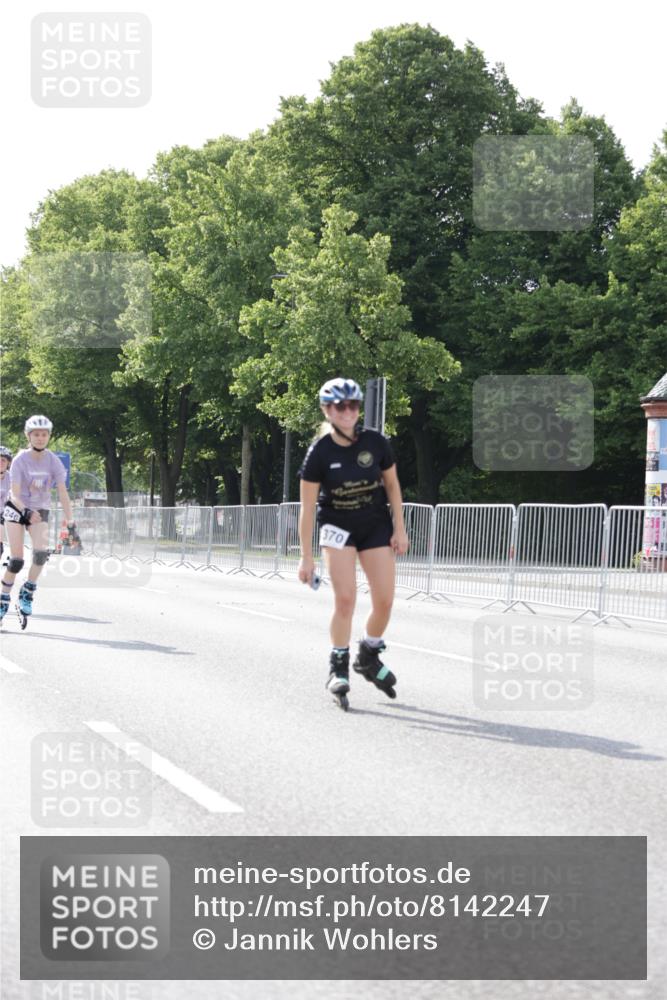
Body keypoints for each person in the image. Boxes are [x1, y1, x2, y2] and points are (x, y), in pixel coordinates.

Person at [297, 377, 409, 702]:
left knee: (385, 602)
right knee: (345, 599)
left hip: (374, 525)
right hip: (337, 527)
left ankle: (368, 654)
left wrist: (400, 528)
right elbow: (306, 509)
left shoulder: (376, 443)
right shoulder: (319, 453)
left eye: (353, 405)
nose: (347, 412)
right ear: (326, 410)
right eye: (339, 406)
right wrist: (306, 556)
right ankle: (339, 665)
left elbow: (392, 486)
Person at [0, 415, 75, 623]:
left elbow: (62, 493)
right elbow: (14, 495)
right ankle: (4, 597)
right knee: (16, 560)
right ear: (28, 436)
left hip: (40, 509)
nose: (40, 438)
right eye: (36, 435)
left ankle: (27, 591)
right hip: (17, 509)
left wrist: (71, 521)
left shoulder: (54, 462)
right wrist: (25, 511)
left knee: (41, 555)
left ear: (49, 436)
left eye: (44, 435)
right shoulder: (20, 460)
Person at [0, 445, 12, 562]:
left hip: (4, 514)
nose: (0, 462)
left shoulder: (11, 477)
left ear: (8, 463)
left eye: (3, 460)